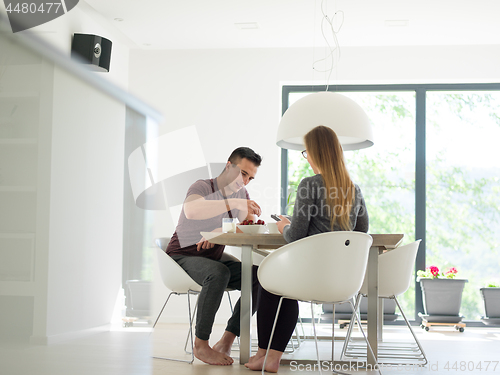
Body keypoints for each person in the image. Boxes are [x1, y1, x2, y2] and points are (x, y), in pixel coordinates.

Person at [245, 125, 369, 373]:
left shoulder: (309, 185)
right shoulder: (354, 189)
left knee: (270, 281)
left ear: (315, 153)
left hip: (311, 276)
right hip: (343, 282)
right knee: (282, 285)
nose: (306, 156)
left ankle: (265, 355)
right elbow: (362, 232)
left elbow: (296, 236)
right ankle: (271, 358)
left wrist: (283, 226)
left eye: (306, 151)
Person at [165, 147, 263, 366]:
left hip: (212, 258)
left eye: (250, 177)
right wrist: (236, 204)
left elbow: (247, 225)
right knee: (219, 273)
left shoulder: (241, 194)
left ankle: (227, 340)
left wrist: (221, 233)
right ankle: (201, 345)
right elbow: (192, 210)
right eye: (243, 174)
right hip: (182, 256)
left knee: (259, 277)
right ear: (229, 165)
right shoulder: (202, 186)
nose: (245, 181)